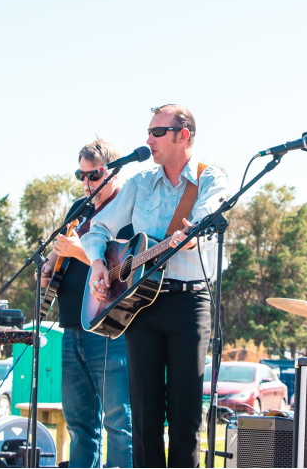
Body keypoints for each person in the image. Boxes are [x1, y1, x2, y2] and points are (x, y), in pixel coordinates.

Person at [82, 104, 228, 468]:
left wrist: (193, 235)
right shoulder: (139, 182)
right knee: (144, 417)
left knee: (185, 417)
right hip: (139, 307)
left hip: (189, 303)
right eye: (148, 132)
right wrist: (100, 262)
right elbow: (98, 228)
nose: (148, 140)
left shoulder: (211, 180)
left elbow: (207, 219)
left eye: (157, 133)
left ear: (184, 136)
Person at [41, 139, 133, 468]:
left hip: (109, 327)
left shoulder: (128, 207)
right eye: (80, 176)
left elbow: (125, 267)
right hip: (71, 326)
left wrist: (77, 251)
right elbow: (57, 256)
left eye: (93, 177)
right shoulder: (77, 209)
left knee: (118, 423)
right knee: (81, 425)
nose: (86, 184)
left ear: (112, 172)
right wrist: (49, 270)